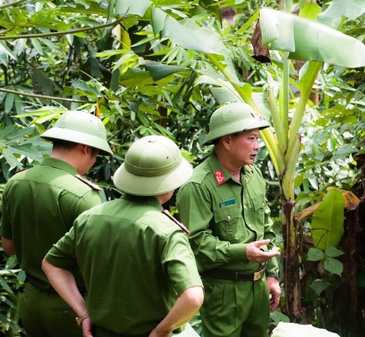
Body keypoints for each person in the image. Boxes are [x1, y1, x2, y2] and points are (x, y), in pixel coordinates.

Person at [42, 135, 204, 337]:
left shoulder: (90, 218)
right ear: (170, 183)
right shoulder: (166, 230)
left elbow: (51, 263)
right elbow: (193, 297)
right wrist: (161, 331)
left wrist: (84, 314)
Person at [0, 110, 112, 337]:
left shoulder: (16, 182)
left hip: (30, 303)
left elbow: (9, 247)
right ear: (86, 148)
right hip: (74, 307)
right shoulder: (83, 194)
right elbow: (101, 264)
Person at [177, 102, 281, 337]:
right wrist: (242, 252)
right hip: (223, 292)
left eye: (258, 139)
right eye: (251, 139)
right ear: (227, 141)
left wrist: (272, 275)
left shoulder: (254, 176)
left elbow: (266, 228)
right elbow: (197, 244)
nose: (258, 146)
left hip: (258, 287)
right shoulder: (198, 185)